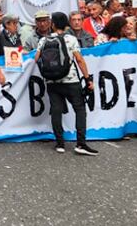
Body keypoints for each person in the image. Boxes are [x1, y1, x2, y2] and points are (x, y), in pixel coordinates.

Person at [33, 12, 97, 156]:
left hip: (51, 81)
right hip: (70, 80)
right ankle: (81, 143)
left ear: (52, 24)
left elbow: (36, 58)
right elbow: (79, 60)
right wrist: (87, 79)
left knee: (56, 110)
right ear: (66, 24)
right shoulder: (71, 39)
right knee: (79, 109)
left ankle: (60, 143)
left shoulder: (44, 40)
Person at [0, 13, 20, 85]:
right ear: (7, 25)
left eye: (16, 23)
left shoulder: (17, 37)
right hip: (3, 73)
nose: (16, 26)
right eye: (14, 23)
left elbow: (19, 49)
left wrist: (23, 51)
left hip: (16, 74)